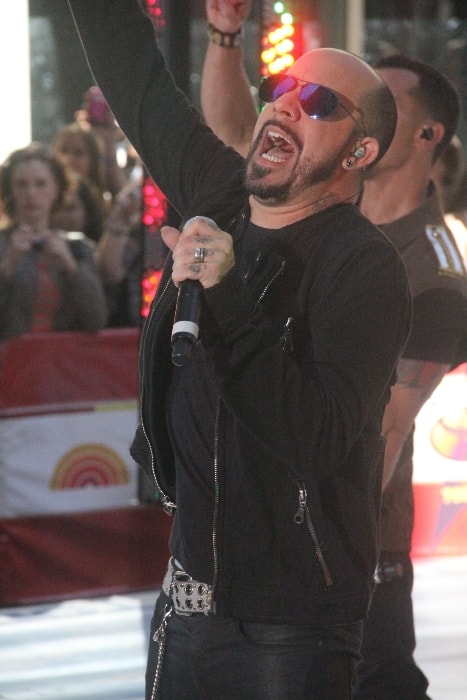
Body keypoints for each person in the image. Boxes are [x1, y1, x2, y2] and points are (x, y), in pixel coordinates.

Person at [68, 2, 412, 698]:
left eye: (314, 101)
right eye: (278, 89)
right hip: (185, 604)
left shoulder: (363, 268)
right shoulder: (219, 195)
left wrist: (224, 293)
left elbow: (314, 438)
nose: (283, 105)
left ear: (358, 151)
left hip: (290, 631)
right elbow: (132, 73)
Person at [199, 4, 467, 698]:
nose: (345, 110)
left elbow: (384, 426)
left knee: (379, 685)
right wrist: (225, 36)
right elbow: (229, 129)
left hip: (342, 538)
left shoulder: (432, 273)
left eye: (374, 103)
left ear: (421, 136)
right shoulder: (318, 194)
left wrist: (308, 543)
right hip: (274, 525)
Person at [0, 142, 108, 341]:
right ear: (10, 190)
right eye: (21, 184)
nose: (31, 193)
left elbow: (96, 320)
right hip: (9, 365)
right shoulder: (4, 245)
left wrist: (70, 267)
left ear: (56, 189)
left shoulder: (79, 248)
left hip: (59, 365)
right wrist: (7, 267)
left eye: (40, 183)